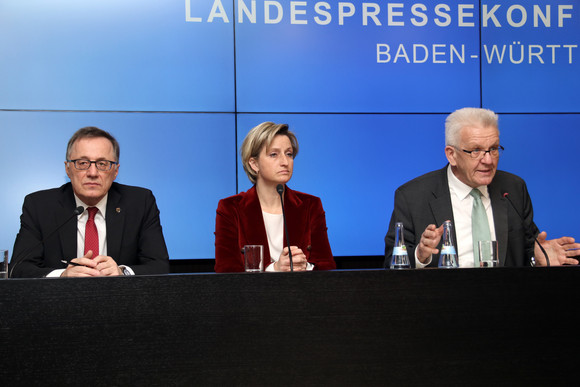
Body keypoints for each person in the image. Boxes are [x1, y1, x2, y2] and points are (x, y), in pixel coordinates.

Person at [384, 107, 580, 268]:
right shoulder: (413, 196)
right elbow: (389, 266)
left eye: (493, 149)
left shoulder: (513, 188)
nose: (488, 160)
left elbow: (528, 251)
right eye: (476, 150)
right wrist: (420, 256)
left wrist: (537, 259)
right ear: (451, 155)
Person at [10, 126, 170, 277]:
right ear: (68, 169)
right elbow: (19, 268)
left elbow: (160, 266)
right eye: (82, 163)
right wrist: (62, 275)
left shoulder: (140, 203)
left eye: (102, 164)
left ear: (115, 171)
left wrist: (122, 273)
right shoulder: (39, 206)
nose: (92, 173)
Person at [214, 122, 335, 272]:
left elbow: (327, 267)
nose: (285, 162)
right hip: (252, 295)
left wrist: (304, 266)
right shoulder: (230, 208)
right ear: (254, 164)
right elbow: (225, 272)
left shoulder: (311, 205)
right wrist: (275, 269)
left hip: (302, 294)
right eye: (274, 154)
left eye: (289, 154)